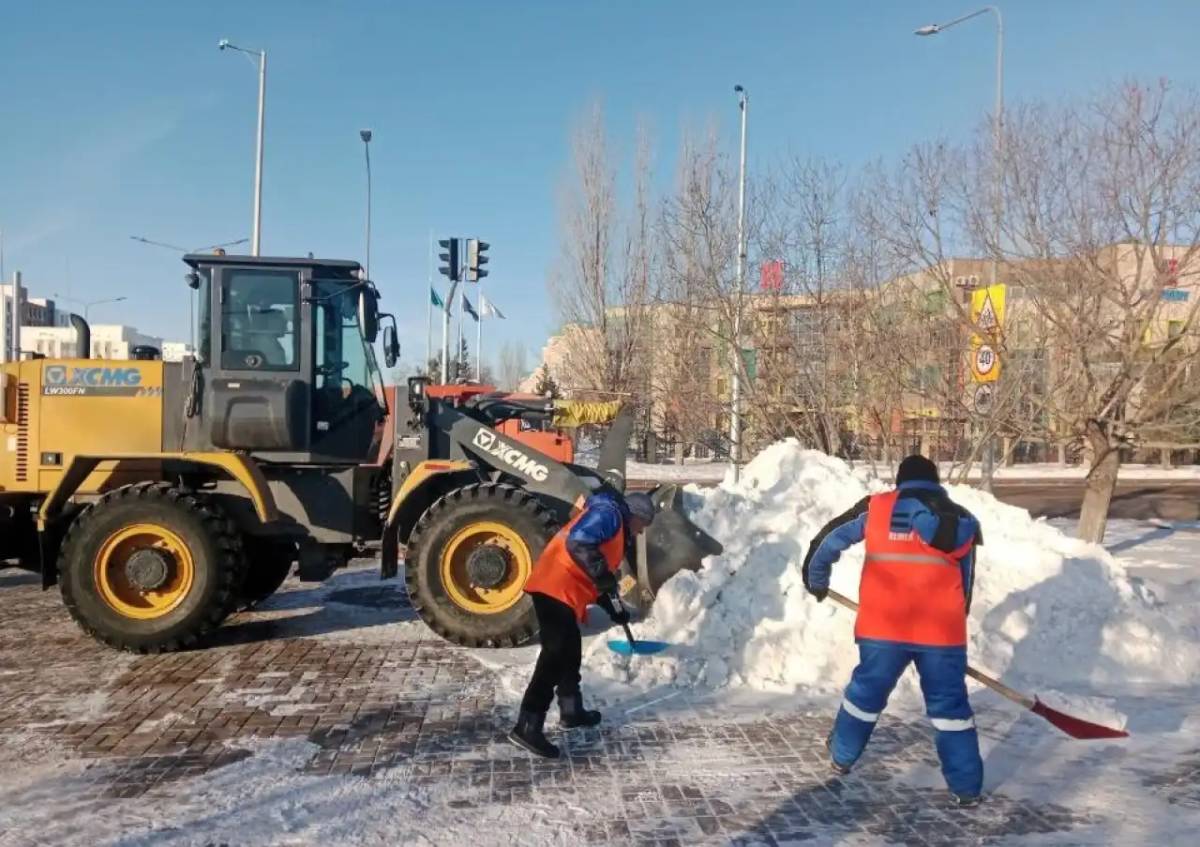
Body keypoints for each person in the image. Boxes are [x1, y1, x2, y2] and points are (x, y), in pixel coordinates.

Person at [801, 455, 985, 807]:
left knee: (865, 696)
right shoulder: (962, 519)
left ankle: (841, 757)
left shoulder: (878, 507)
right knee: (951, 712)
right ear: (936, 482)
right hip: (941, 637)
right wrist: (949, 632)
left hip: (883, 629)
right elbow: (966, 585)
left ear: (901, 481)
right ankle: (967, 789)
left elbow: (828, 540)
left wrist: (816, 580)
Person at [508, 489, 657, 759]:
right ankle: (527, 725)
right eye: (642, 525)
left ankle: (570, 710)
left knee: (570, 651)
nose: (640, 532)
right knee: (554, 656)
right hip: (555, 586)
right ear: (635, 515)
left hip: (564, 590)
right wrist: (602, 575)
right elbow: (579, 543)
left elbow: (597, 575)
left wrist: (614, 609)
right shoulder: (610, 514)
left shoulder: (616, 525)